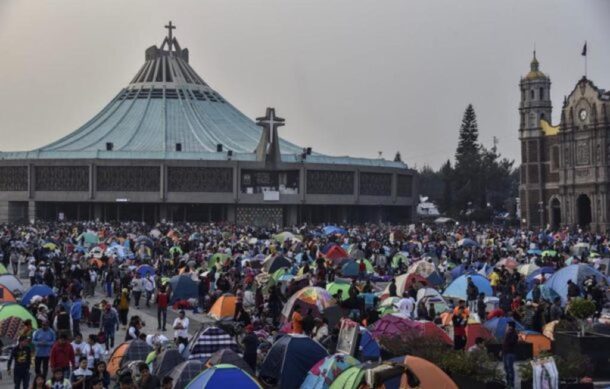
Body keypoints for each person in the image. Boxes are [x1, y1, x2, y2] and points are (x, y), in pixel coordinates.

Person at [502, 321, 518, 389]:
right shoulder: (507, 333)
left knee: (510, 369)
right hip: (505, 353)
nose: (507, 326)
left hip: (510, 353)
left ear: (511, 326)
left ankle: (511, 384)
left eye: (508, 325)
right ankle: (508, 383)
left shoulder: (514, 334)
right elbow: (504, 343)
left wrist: (508, 334)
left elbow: (511, 343)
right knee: (506, 368)